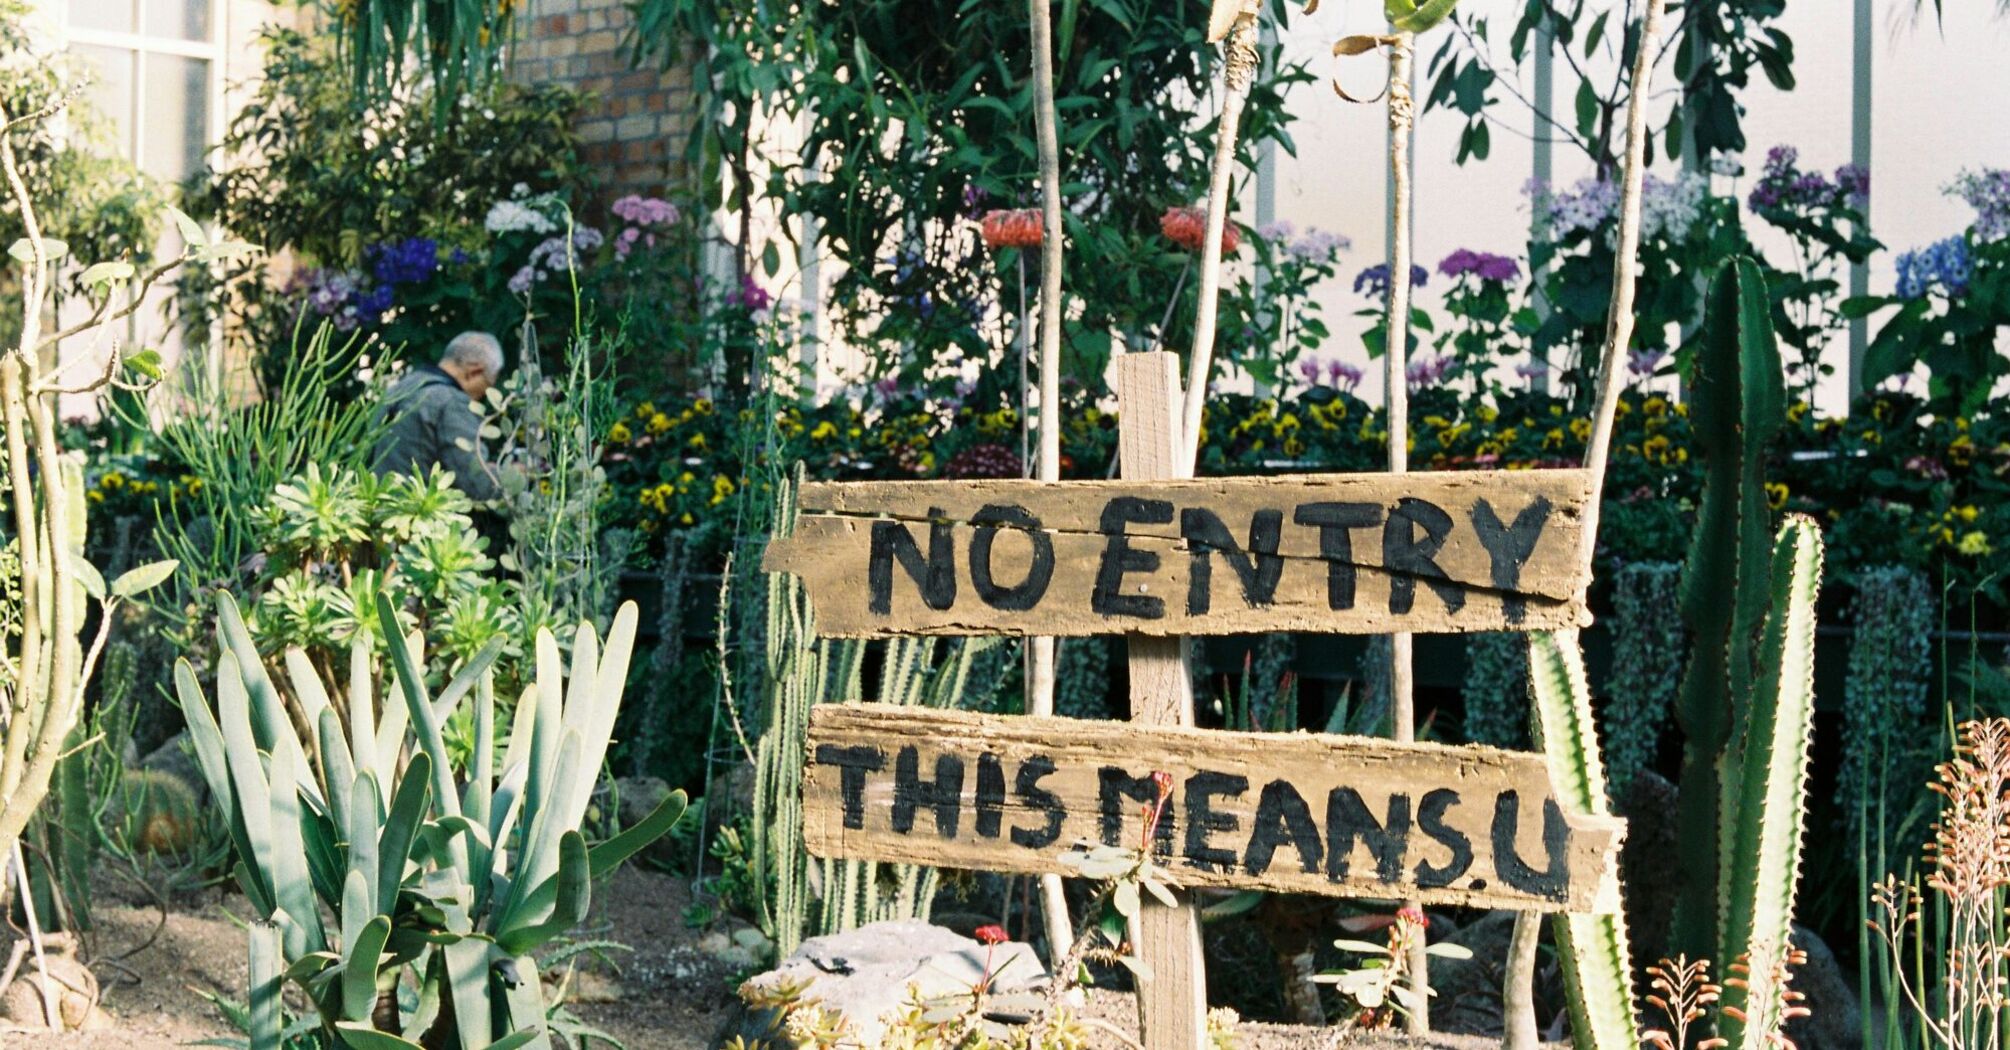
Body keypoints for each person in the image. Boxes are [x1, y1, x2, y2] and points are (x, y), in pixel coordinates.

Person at [373, 331, 504, 501]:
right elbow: (478, 485)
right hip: (414, 517)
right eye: (487, 385)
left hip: (372, 510)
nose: (484, 394)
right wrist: (513, 474)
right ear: (474, 372)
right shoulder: (451, 402)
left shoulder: (400, 388)